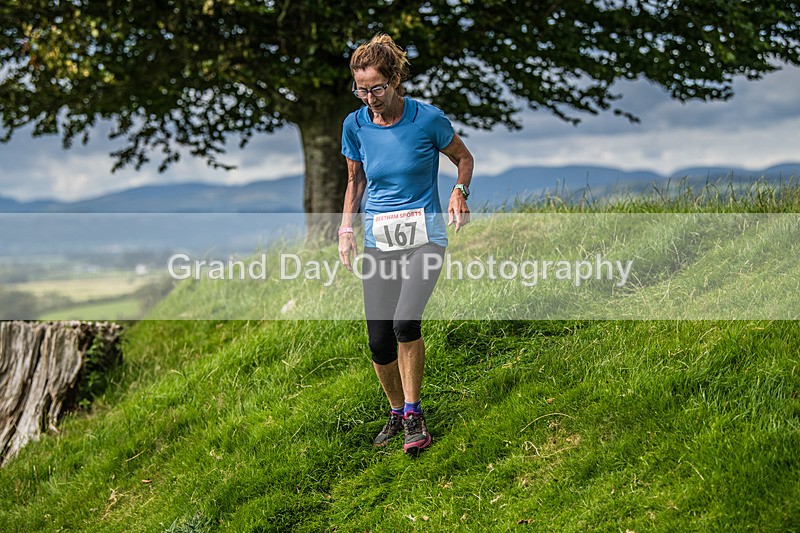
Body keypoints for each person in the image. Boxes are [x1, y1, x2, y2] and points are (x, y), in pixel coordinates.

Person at [338, 33, 474, 454]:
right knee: (378, 339)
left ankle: (415, 414)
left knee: (405, 323)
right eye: (361, 90)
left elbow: (463, 159)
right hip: (380, 239)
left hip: (424, 237)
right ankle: (396, 413)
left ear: (396, 80)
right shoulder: (355, 124)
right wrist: (345, 230)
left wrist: (459, 192)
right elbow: (355, 180)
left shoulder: (427, 119)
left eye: (377, 88)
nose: (369, 98)